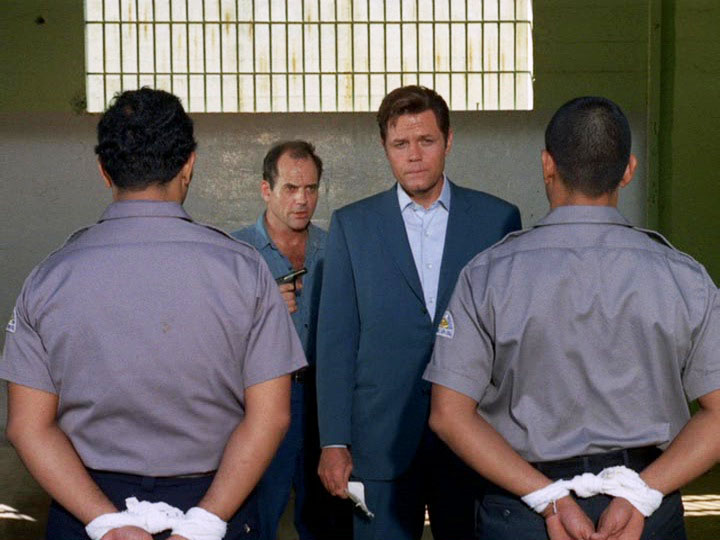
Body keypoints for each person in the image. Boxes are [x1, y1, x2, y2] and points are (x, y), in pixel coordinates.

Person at [1, 88, 306, 540]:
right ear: (189, 165)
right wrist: (205, 521)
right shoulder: (245, 271)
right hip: (218, 500)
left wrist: (105, 521)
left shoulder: (49, 278)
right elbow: (272, 416)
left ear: (104, 171)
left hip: (86, 504)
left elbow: (28, 426)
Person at [424, 96, 720, 540]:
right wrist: (640, 494)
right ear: (628, 170)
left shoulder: (488, 275)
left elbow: (449, 415)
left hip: (523, 509)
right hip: (643, 511)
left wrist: (549, 498)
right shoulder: (683, 277)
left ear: (547, 165)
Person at [316, 85, 522, 540]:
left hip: (475, 439)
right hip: (380, 442)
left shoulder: (497, 220)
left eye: (426, 141)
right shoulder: (353, 225)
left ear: (448, 141)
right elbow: (336, 342)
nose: (413, 155)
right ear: (384, 148)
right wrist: (333, 440)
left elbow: (513, 342)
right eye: (400, 144)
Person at [232, 140, 351, 540]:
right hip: (262, 397)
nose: (302, 200)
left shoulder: (336, 248)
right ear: (266, 189)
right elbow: (210, 337)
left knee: (328, 518)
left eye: (311, 188)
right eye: (290, 188)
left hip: (325, 399)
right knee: (256, 515)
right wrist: (259, 311)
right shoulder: (236, 253)